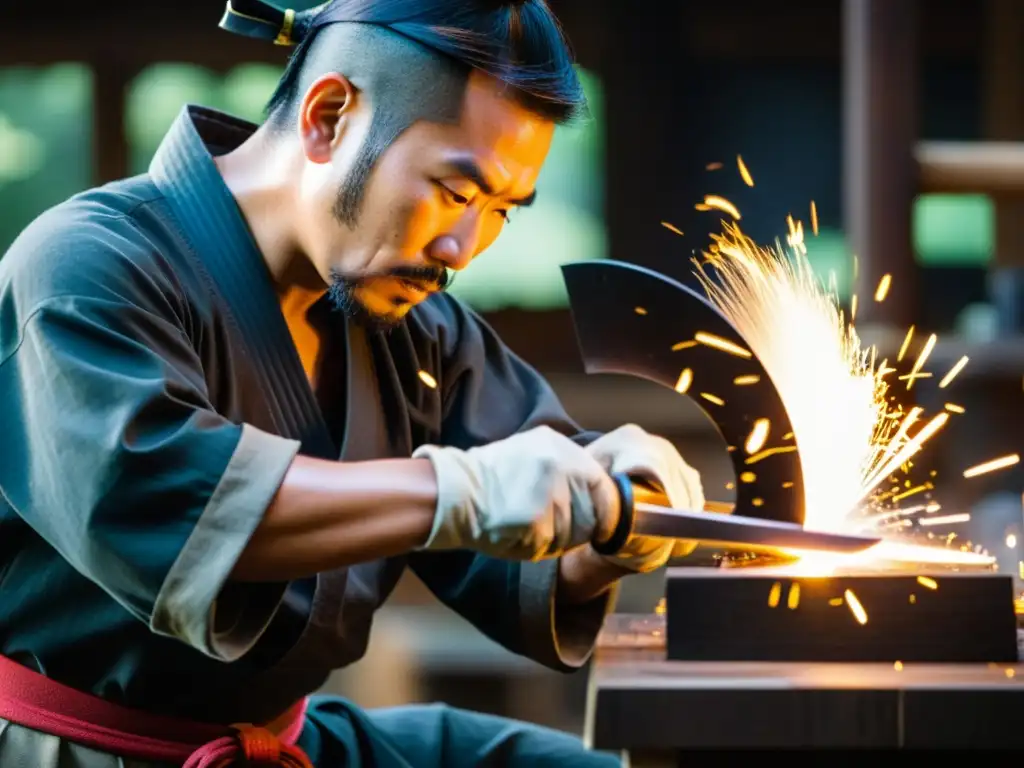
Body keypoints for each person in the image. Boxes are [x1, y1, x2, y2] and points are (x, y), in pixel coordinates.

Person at [0, 0, 705, 765]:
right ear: (328, 116)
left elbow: (528, 552)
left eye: (502, 210)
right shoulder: (82, 267)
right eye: (457, 192)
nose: (462, 246)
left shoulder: (416, 328)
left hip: (290, 743)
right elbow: (186, 515)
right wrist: (457, 492)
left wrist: (611, 524)